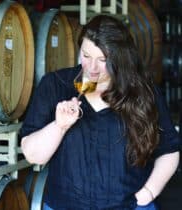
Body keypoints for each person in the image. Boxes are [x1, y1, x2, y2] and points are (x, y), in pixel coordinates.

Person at [19, 15, 181, 210]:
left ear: (120, 58)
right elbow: (32, 155)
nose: (92, 68)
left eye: (103, 59)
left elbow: (169, 150)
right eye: (86, 56)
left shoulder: (142, 91)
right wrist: (59, 126)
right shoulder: (56, 85)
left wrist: (148, 192)